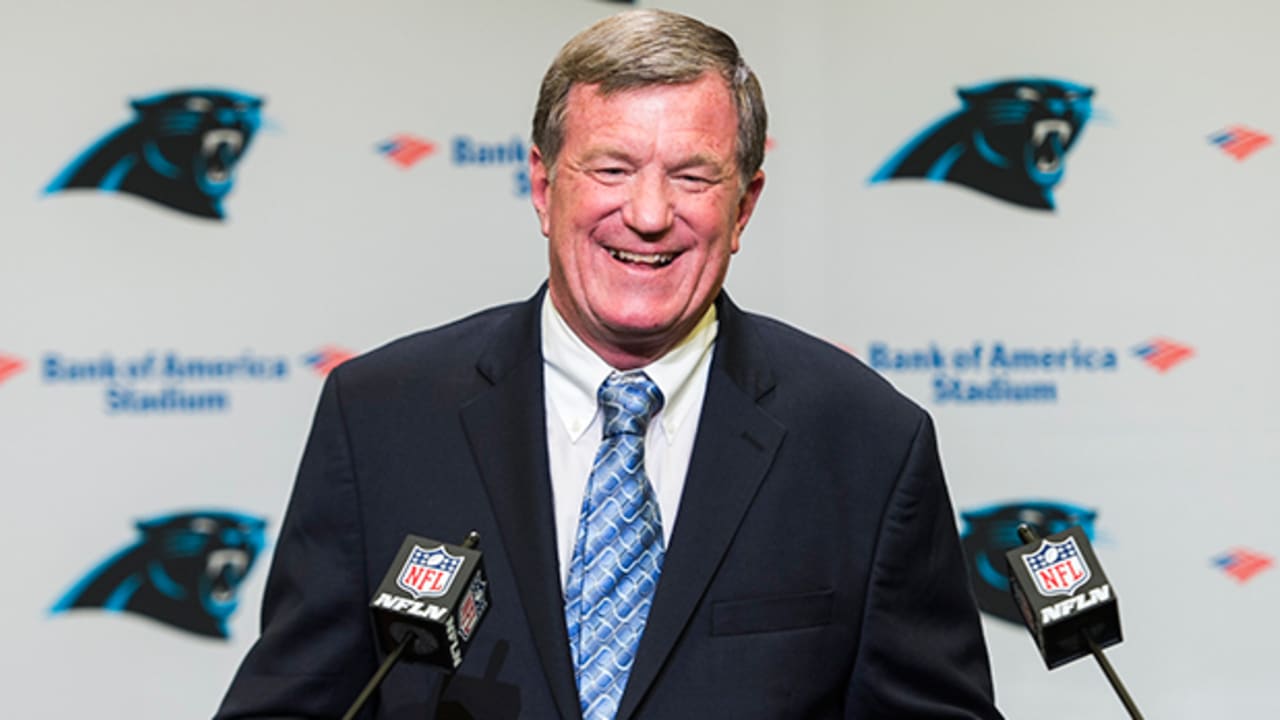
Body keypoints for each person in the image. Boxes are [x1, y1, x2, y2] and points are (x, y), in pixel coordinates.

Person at [215, 9, 1003, 720]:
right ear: (541, 183)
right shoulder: (382, 417)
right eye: (612, 168)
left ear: (745, 207)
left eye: (692, 176)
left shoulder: (867, 444)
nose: (651, 215)